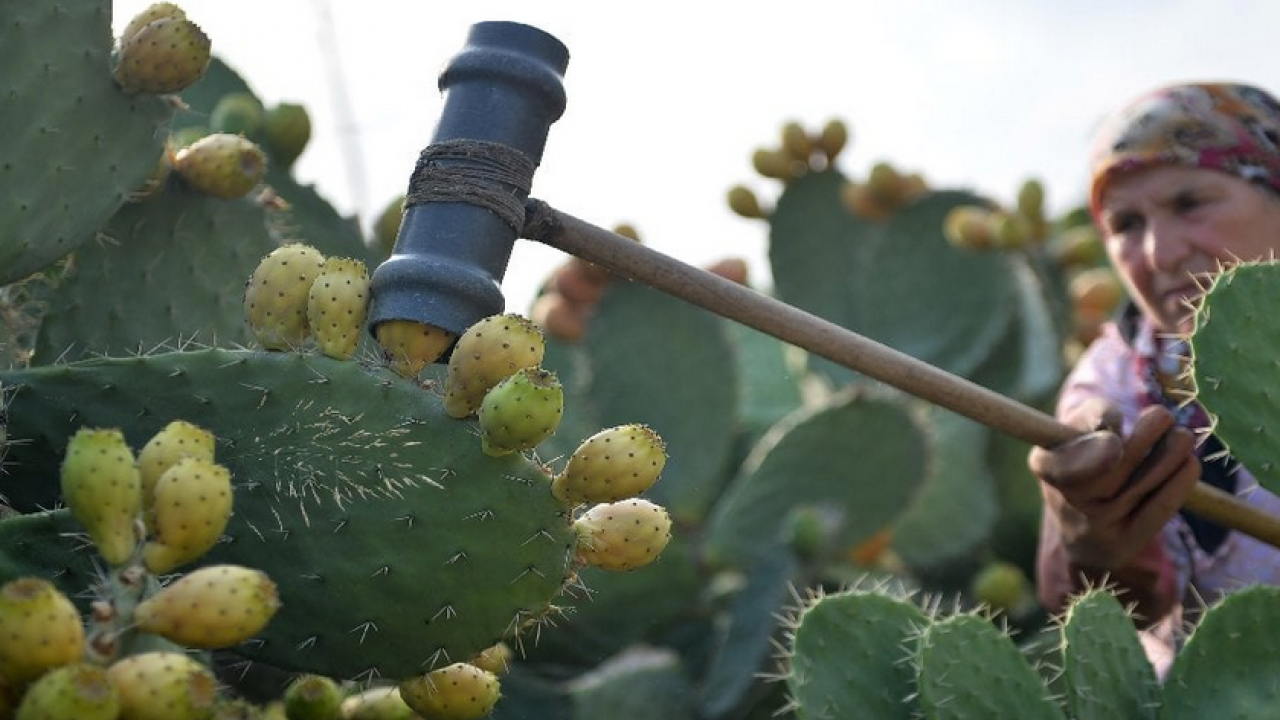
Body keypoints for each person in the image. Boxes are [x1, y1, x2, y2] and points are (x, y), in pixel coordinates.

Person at [1028, 82, 1280, 676]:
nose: (1160, 253)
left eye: (1191, 202)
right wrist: (1096, 539)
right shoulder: (1109, 381)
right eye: (1126, 224)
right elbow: (1088, 603)